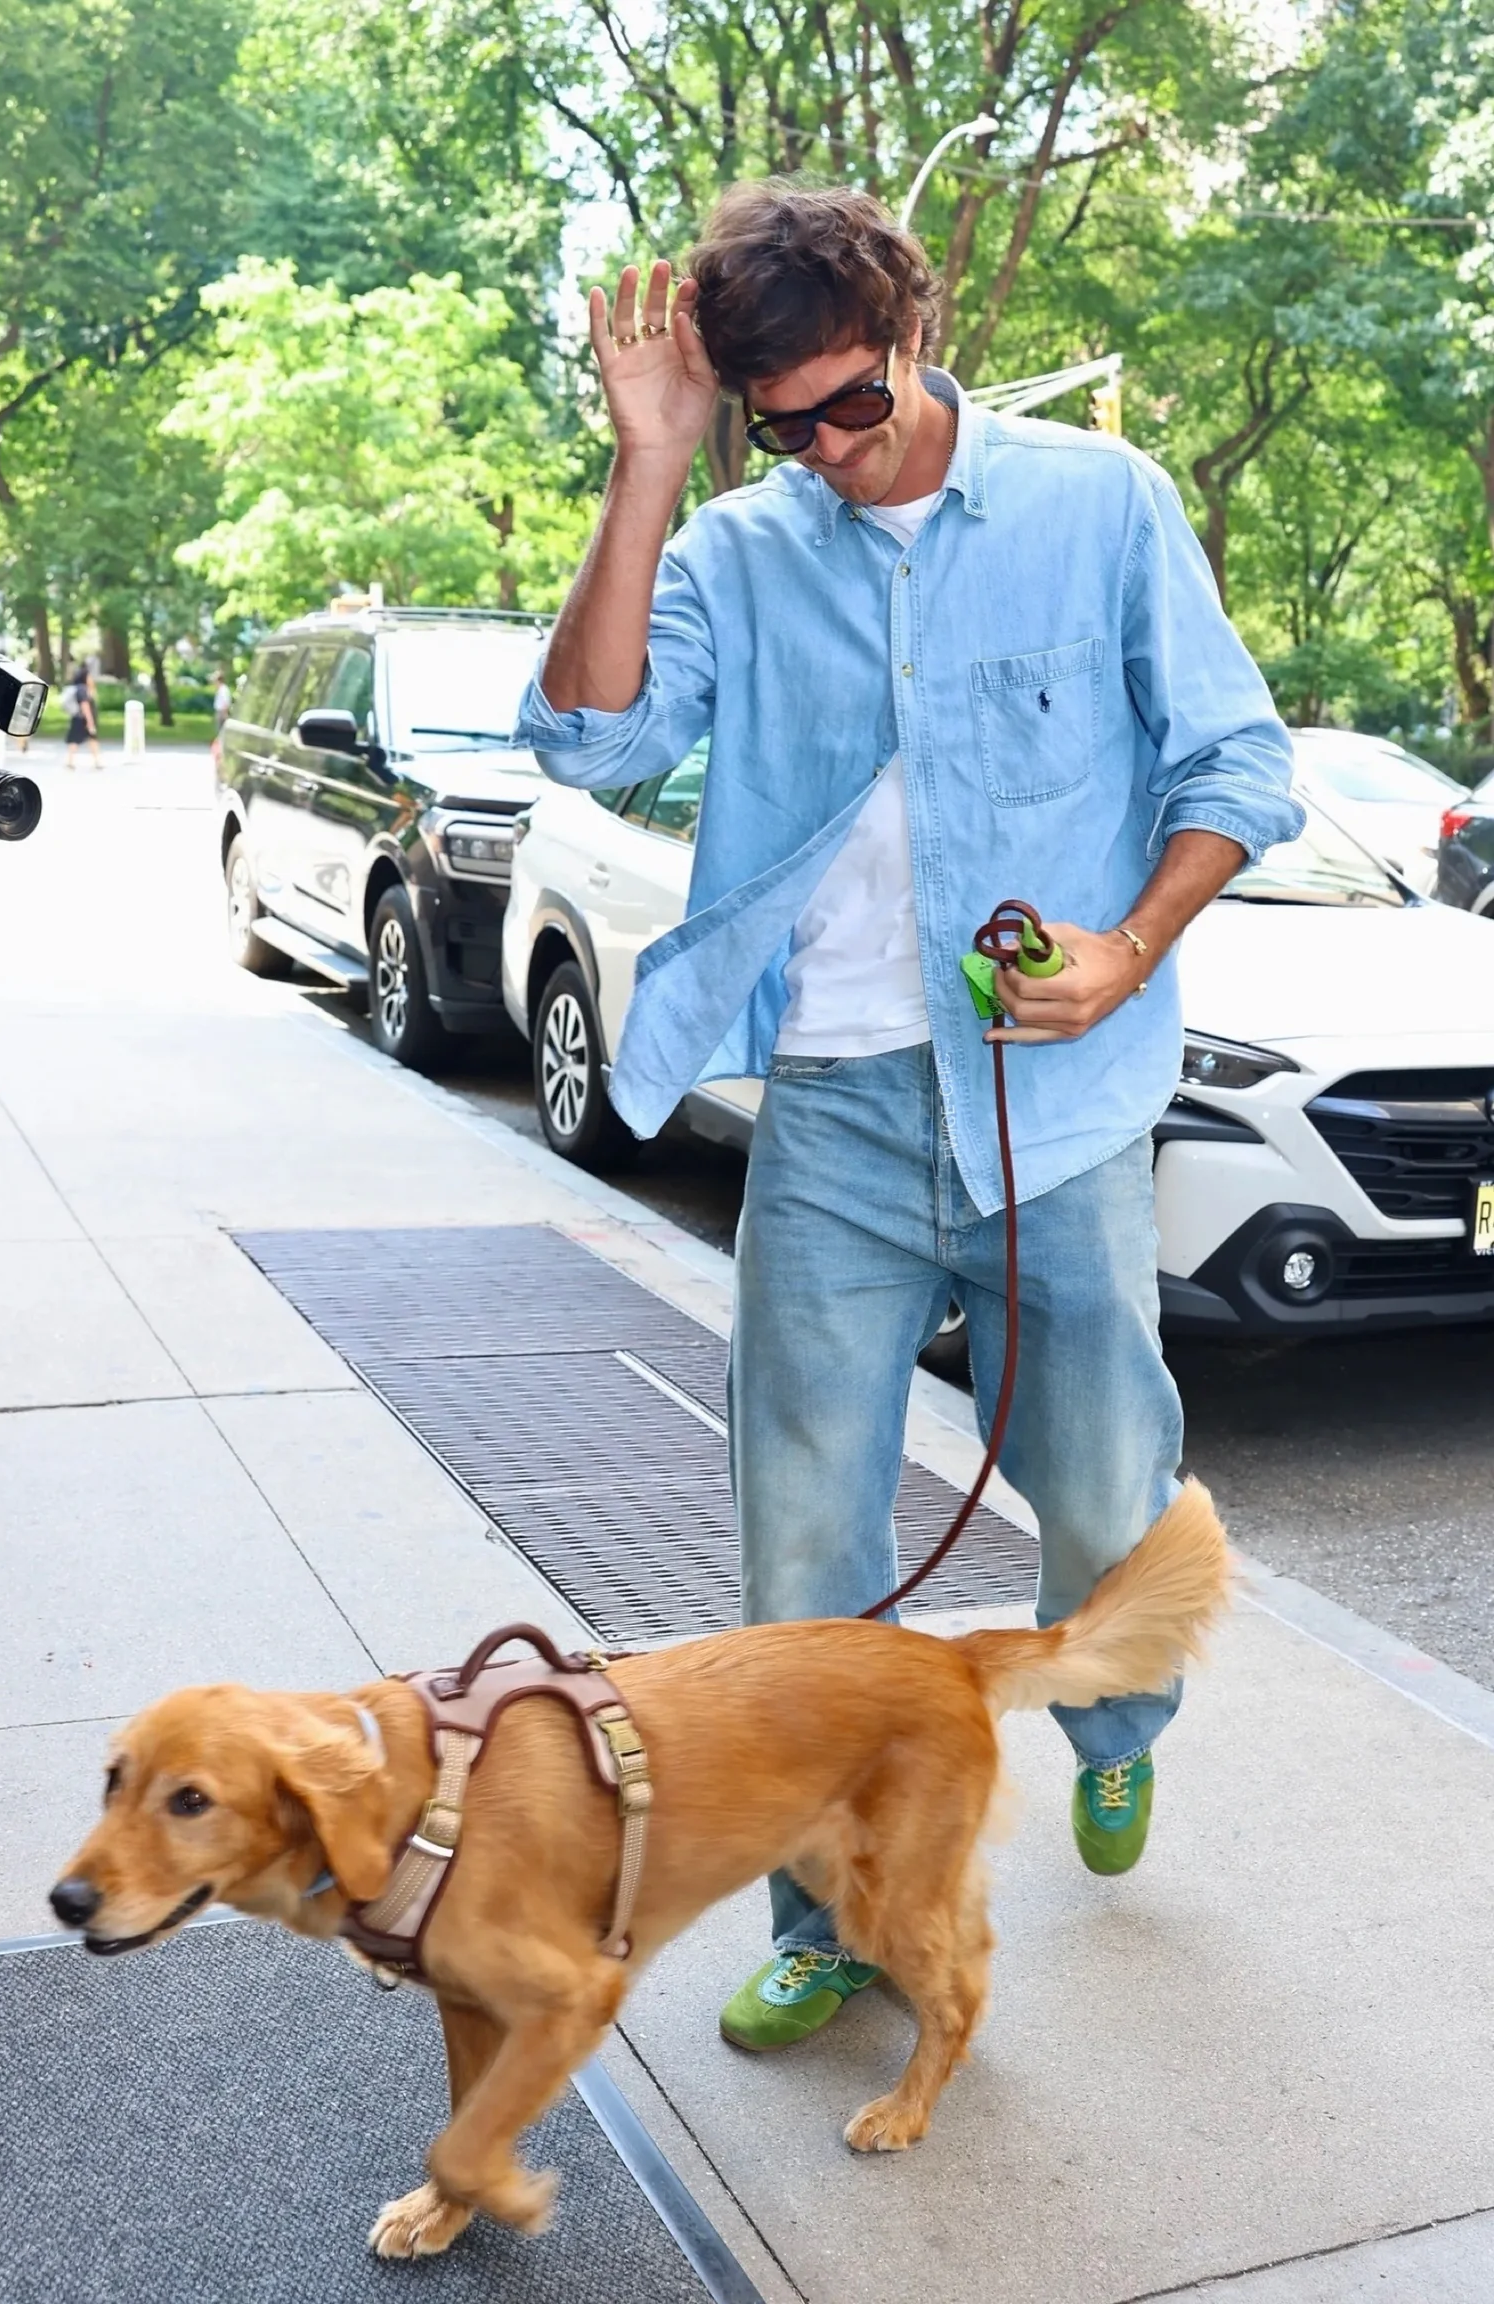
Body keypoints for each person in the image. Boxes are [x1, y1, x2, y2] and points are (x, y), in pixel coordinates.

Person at [516, 181, 1302, 2053]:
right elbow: (591, 736)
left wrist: (1126, 946)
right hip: (837, 1108)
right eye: (778, 424)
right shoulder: (736, 546)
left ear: (912, 333)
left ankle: (1116, 1714)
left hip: (1059, 1101)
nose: (827, 451)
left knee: (1102, 1488)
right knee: (803, 1552)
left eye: (850, 405)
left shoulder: (1098, 503)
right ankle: (836, 1916)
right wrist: (650, 463)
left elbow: (1238, 763)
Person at [62, 661, 100, 770]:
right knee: (77, 739)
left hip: (78, 718)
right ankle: (70, 761)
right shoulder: (83, 690)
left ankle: (97, 761)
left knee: (91, 739)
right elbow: (85, 706)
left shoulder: (80, 688)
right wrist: (90, 722)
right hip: (82, 719)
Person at [212, 667, 232, 734]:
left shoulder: (224, 690)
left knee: (221, 731)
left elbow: (225, 702)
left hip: (222, 713)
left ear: (218, 680)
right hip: (219, 712)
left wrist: (225, 714)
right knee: (219, 731)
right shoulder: (220, 689)